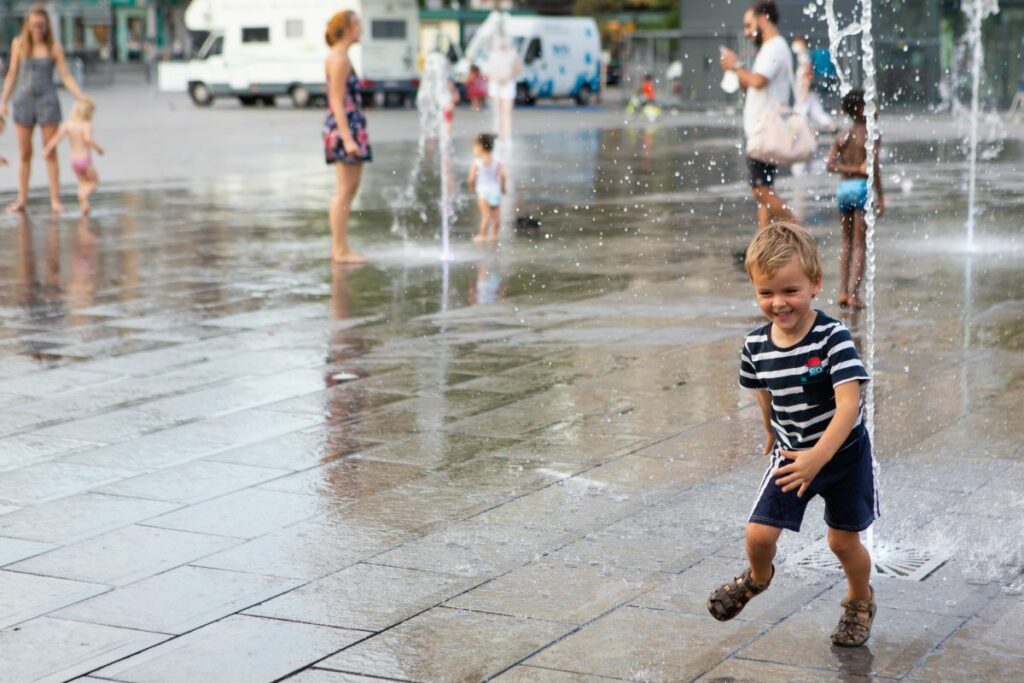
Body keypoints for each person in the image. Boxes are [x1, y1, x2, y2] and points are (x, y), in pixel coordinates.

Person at [707, 222, 877, 647]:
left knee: (842, 542)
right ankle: (758, 578)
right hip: (790, 455)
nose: (779, 303)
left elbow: (849, 406)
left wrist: (819, 456)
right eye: (766, 293)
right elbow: (764, 391)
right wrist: (769, 431)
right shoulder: (755, 345)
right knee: (758, 534)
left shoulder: (833, 337)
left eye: (790, 291)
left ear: (815, 284)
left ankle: (859, 599)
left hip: (842, 455)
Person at [1, 4, 92, 214]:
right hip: (23, 100)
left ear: (47, 26)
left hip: (47, 101)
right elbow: (12, 74)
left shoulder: (54, 47)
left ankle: (54, 199)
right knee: (25, 153)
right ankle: (22, 199)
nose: (37, 30)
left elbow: (66, 75)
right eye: (33, 26)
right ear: (27, 26)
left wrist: (80, 95)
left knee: (50, 151)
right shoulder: (19, 44)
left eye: (41, 26)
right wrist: (4, 100)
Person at [718, 1, 796, 230]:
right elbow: (753, 83)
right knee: (766, 190)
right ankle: (763, 243)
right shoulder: (770, 47)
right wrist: (739, 72)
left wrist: (736, 66)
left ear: (763, 19)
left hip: (764, 130)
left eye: (748, 25)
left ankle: (799, 230)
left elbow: (759, 81)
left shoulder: (774, 47)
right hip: (763, 129)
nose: (746, 31)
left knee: (760, 190)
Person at [827, 89, 884, 310]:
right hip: (862, 189)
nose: (876, 110)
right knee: (860, 245)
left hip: (843, 189)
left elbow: (830, 165)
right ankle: (854, 294)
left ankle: (841, 291)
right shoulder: (872, 135)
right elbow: (874, 169)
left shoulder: (843, 135)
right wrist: (881, 196)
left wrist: (849, 168)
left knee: (846, 242)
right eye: (872, 105)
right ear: (861, 109)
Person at [323, 10, 370, 264]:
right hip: (345, 127)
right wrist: (348, 138)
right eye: (358, 25)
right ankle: (339, 250)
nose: (361, 30)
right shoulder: (339, 59)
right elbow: (336, 101)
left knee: (348, 189)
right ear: (349, 28)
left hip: (347, 126)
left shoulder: (339, 56)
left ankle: (341, 246)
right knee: (345, 189)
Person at [43, 99, 104, 214]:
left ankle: (84, 204)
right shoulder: (86, 125)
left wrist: (47, 150)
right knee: (93, 182)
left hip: (74, 162)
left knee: (82, 182)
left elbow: (57, 138)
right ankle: (83, 196)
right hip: (85, 160)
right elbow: (88, 139)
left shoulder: (68, 124)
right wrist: (99, 149)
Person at [467, 133, 506, 243]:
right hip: (495, 191)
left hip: (483, 192)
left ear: (481, 147)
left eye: (474, 147)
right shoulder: (496, 161)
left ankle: (481, 235)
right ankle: (494, 235)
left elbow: (471, 179)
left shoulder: (477, 162)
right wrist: (503, 188)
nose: (473, 150)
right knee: (496, 216)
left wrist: (471, 188)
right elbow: (503, 176)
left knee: (485, 215)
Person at [791, 36, 834, 131]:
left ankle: (790, 133)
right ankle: (832, 127)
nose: (795, 45)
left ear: (802, 43)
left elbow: (807, 74)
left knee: (798, 113)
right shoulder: (804, 56)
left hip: (806, 91)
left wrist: (805, 91)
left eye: (797, 42)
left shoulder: (804, 57)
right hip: (809, 90)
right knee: (817, 112)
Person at [485, 35, 520, 143]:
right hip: (495, 83)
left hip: (508, 83)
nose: (502, 43)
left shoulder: (513, 54)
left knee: (507, 111)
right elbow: (487, 71)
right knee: (497, 111)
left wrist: (508, 77)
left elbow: (518, 69)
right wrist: (495, 77)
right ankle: (498, 133)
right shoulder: (493, 54)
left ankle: (507, 134)